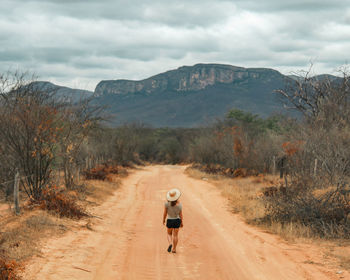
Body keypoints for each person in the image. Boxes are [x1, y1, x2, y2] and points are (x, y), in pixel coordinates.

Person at [163, 188, 183, 253]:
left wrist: (163, 220)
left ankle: (170, 244)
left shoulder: (166, 204)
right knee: (175, 235)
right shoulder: (179, 205)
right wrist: (182, 222)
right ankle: (174, 249)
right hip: (177, 220)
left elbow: (165, 213)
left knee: (169, 234)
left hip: (170, 220)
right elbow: (181, 215)